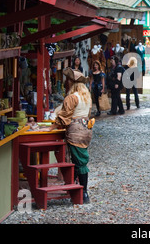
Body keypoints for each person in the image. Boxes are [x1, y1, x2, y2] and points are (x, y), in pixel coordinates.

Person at [50, 68, 93, 204]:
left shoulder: (72, 97)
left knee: (79, 161)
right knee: (77, 159)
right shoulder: (86, 97)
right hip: (86, 131)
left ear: (71, 82)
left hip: (75, 132)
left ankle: (83, 193)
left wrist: (51, 127)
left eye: (67, 80)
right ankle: (75, 189)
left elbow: (64, 116)